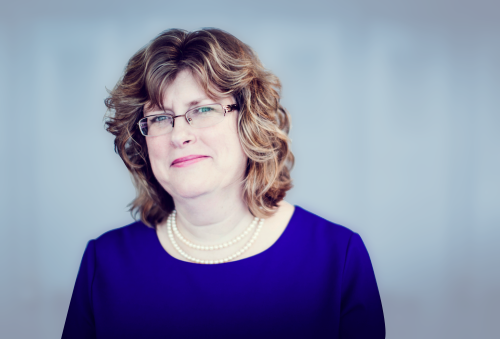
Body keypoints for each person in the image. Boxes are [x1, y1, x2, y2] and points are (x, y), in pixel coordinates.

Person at [62, 28, 385, 338]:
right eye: (160, 118)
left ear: (249, 123)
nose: (179, 135)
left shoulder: (336, 256)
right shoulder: (104, 262)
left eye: (202, 110)